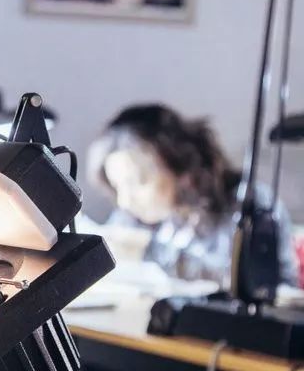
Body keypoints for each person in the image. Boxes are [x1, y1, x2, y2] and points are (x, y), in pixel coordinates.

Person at [87, 104, 299, 287]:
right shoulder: (140, 217)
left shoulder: (250, 206)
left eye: (139, 182)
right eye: (118, 187)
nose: (125, 201)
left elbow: (263, 287)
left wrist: (149, 253)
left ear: (182, 168)